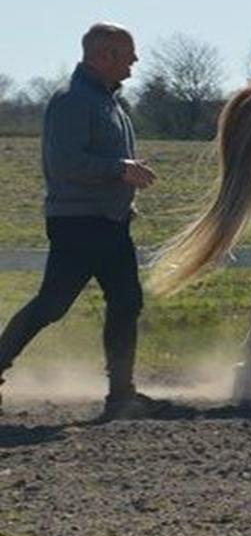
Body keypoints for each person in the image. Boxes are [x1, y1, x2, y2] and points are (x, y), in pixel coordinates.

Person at [0, 22, 171, 419]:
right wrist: (120, 169)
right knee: (53, 305)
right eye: (128, 54)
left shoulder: (107, 102)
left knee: (126, 300)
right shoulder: (73, 101)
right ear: (103, 55)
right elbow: (65, 163)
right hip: (80, 223)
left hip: (108, 221)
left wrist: (124, 175)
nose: (135, 61)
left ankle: (121, 395)